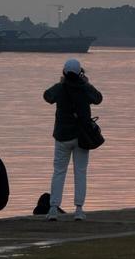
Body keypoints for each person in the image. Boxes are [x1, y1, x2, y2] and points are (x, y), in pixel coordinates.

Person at [43, 57, 102, 221]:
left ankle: (53, 208)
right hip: (82, 136)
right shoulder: (84, 88)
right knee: (80, 172)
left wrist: (60, 83)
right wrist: (86, 83)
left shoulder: (60, 88)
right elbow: (98, 98)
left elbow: (47, 96)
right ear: (80, 73)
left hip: (62, 136)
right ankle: (79, 210)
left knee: (59, 172)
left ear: (64, 72)